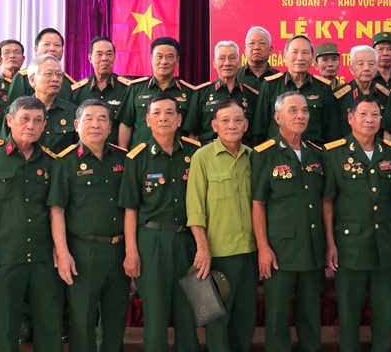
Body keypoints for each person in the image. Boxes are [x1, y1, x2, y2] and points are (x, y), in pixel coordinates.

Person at [0, 96, 64, 352]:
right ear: (9, 120)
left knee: (50, 326)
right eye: (25, 118)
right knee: (6, 329)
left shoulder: (51, 161)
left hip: (43, 258)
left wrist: (60, 249)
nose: (31, 125)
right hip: (2, 257)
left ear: (44, 125)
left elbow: (55, 210)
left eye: (38, 120)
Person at [119, 92, 201, 352]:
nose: (163, 118)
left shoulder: (195, 153)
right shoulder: (137, 157)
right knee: (155, 315)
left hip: (188, 241)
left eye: (169, 113)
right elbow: (130, 209)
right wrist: (131, 252)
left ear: (179, 119)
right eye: (156, 113)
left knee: (188, 312)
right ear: (147, 120)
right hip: (152, 242)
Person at [323, 95, 391, 352]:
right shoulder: (333, 153)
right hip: (350, 246)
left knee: (385, 313)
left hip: (386, 246)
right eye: (363, 115)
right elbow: (328, 201)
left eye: (375, 115)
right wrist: (330, 243)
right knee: (348, 314)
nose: (370, 120)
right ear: (350, 118)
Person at [48, 100, 130, 352]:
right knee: (82, 321)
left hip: (119, 249)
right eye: (89, 119)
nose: (95, 124)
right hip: (83, 251)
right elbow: (56, 211)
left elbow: (131, 207)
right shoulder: (65, 161)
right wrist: (63, 253)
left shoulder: (123, 158)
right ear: (77, 124)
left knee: (115, 320)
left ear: (110, 127)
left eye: (102, 119)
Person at [252, 92, 325, 352]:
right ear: (277, 117)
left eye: (305, 110)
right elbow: (258, 204)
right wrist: (263, 247)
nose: (300, 115)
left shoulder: (316, 153)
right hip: (280, 250)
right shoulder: (264, 154)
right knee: (277, 316)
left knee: (311, 315)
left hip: (312, 247)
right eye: (293, 110)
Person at [186, 99, 257, 352]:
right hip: (218, 255)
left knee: (245, 320)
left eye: (238, 120)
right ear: (214, 125)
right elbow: (195, 209)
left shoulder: (253, 157)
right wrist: (203, 248)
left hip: (250, 253)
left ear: (246, 125)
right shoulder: (202, 157)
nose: (232, 125)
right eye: (225, 120)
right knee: (218, 322)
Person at [253, 35, 338, 146]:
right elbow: (259, 129)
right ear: (284, 57)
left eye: (305, 53)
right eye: (294, 52)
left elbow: (332, 131)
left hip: (313, 153)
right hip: (277, 152)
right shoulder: (270, 85)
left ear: (313, 58)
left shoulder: (323, 87)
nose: (300, 58)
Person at [116, 37, 196, 149]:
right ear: (151, 59)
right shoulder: (135, 88)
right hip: (141, 155)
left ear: (177, 60)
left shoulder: (189, 92)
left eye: (169, 57)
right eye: (159, 56)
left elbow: (192, 130)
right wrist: (123, 154)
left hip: (176, 155)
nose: (164, 62)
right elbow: (126, 124)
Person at [183, 41, 257, 144]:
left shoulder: (251, 95)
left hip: (241, 151)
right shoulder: (201, 93)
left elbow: (257, 134)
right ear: (214, 63)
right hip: (209, 151)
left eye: (232, 58)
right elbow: (193, 134)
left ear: (239, 62)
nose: (227, 63)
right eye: (222, 58)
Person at [2, 55, 79, 153]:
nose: (55, 79)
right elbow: (5, 148)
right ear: (32, 79)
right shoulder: (16, 110)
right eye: (49, 73)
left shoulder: (71, 110)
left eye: (59, 74)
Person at [70, 37, 132, 145]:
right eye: (99, 54)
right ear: (90, 58)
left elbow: (129, 123)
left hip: (116, 152)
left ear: (114, 57)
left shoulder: (128, 88)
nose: (104, 58)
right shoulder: (78, 91)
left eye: (109, 54)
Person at [5, 28, 76, 105]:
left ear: (62, 51)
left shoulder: (68, 81)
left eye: (57, 45)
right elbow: (13, 108)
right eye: (46, 44)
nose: (52, 49)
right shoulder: (23, 78)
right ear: (36, 49)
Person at [333, 46, 390, 137]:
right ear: (352, 69)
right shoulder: (338, 96)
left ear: (376, 69)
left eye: (371, 64)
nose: (366, 68)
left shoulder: (386, 95)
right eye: (360, 64)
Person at [235, 26, 280, 91]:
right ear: (245, 50)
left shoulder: (279, 79)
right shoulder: (235, 77)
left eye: (262, 43)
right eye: (252, 43)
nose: (256, 47)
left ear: (270, 50)